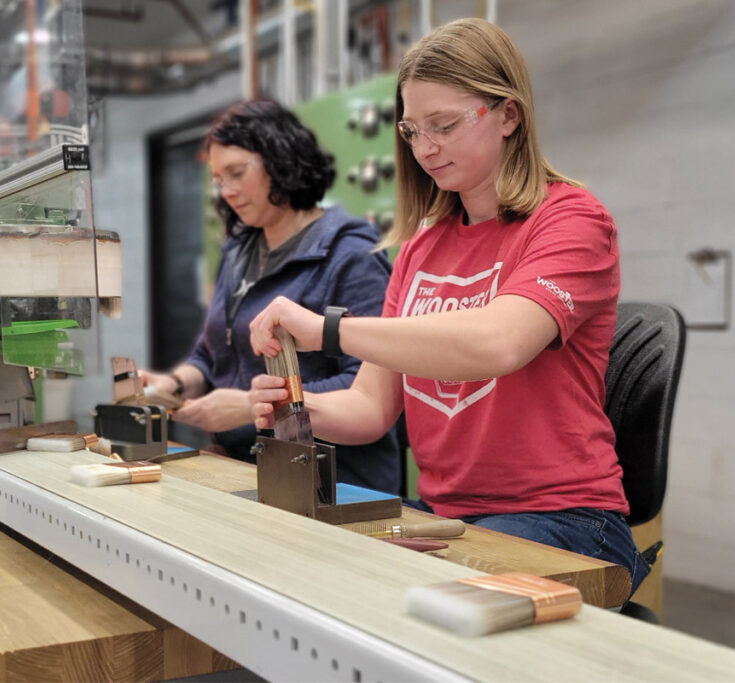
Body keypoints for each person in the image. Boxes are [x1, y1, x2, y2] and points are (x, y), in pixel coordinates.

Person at [247, 18, 649, 595]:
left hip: (568, 519)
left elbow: (498, 343)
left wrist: (329, 331)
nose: (425, 149)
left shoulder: (573, 222)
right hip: (451, 516)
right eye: (412, 131)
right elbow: (369, 409)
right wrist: (299, 407)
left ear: (508, 115)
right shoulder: (420, 248)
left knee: (415, 604)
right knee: (317, 572)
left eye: (444, 125)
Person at [143, 99, 402, 494]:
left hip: (334, 484)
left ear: (281, 161)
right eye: (217, 178)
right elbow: (212, 355)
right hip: (250, 475)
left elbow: (366, 388)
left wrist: (252, 406)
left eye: (236, 173)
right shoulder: (238, 252)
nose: (226, 191)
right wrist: (175, 385)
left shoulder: (350, 256)